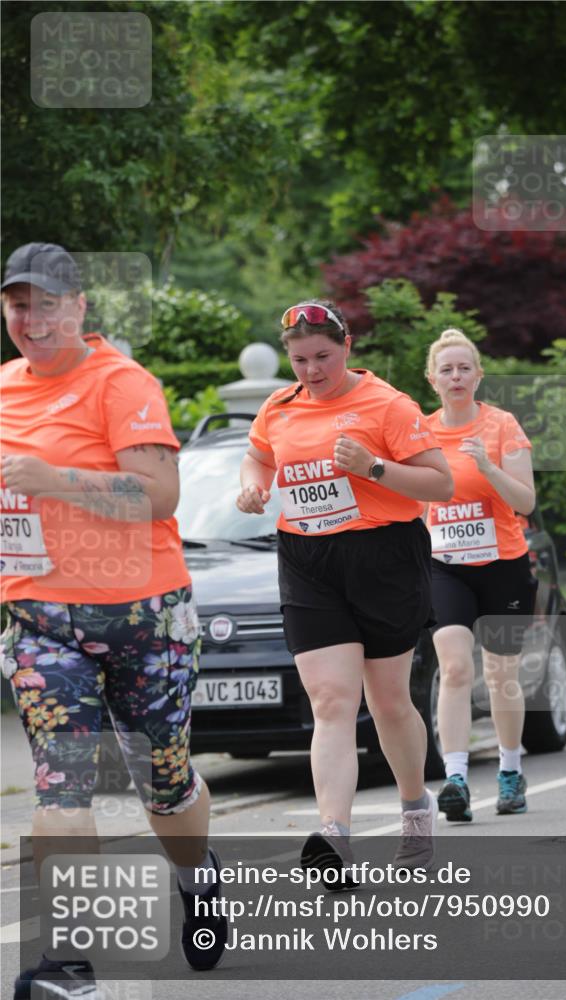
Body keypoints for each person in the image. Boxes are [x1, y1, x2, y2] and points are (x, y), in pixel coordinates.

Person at [0, 244, 226, 998]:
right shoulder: (2, 389)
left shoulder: (121, 382)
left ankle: (195, 877)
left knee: (164, 784)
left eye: (47, 304)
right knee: (61, 787)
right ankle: (69, 965)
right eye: (19, 305)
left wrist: (56, 479)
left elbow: (159, 496)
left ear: (78, 306)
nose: (32, 320)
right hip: (40, 622)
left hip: (144, 618)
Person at [236, 300, 454, 879]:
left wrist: (373, 467)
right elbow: (257, 458)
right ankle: (335, 835)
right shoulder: (278, 407)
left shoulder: (388, 405)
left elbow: (441, 483)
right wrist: (252, 488)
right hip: (307, 559)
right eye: (300, 360)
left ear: (347, 347)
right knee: (331, 700)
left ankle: (415, 810)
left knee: (388, 701)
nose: (312, 371)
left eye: (323, 357)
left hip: (384, 556)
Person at [424, 329, 537, 822]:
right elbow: (413, 502)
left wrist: (488, 466)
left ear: (478, 376)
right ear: (432, 379)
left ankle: (511, 770)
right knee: (453, 667)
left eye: (464, 368)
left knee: (500, 674)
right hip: (445, 567)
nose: (456, 376)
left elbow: (525, 501)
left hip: (503, 565)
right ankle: (456, 780)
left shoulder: (501, 425)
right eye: (446, 369)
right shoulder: (421, 431)